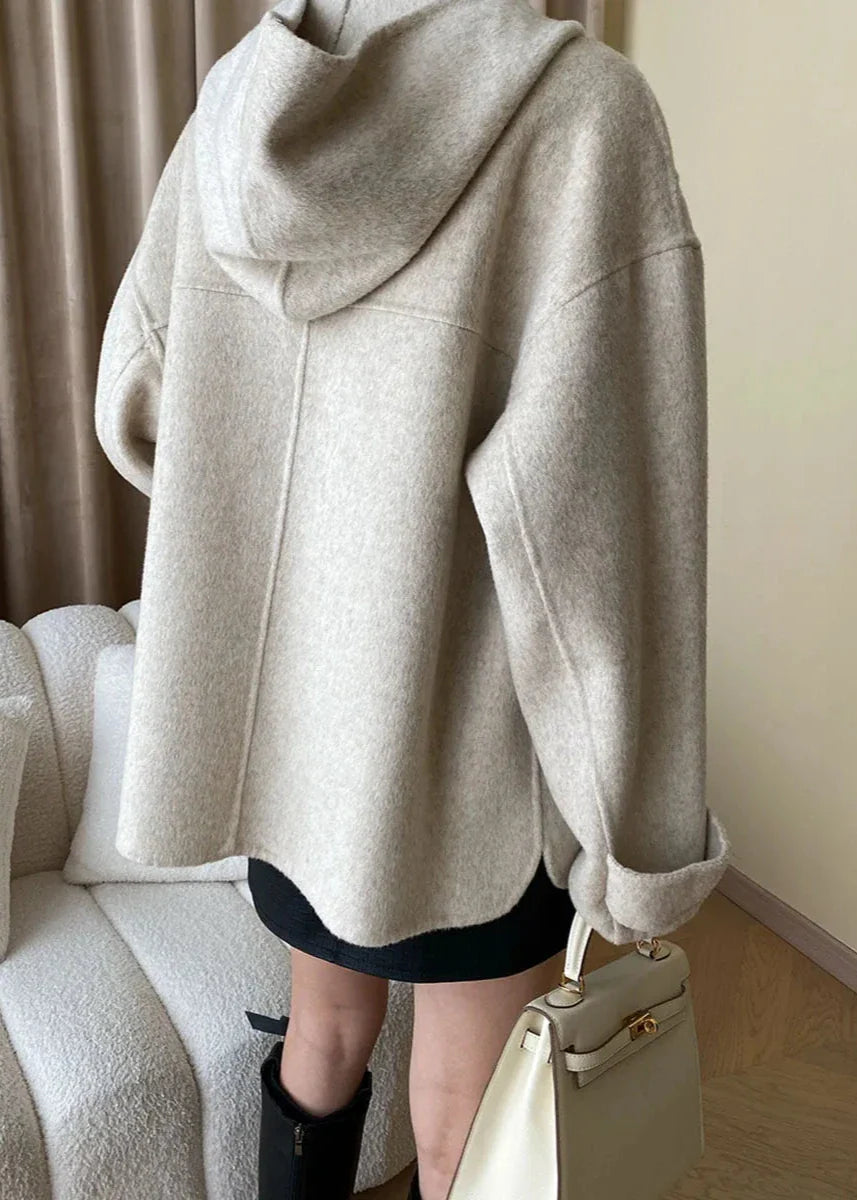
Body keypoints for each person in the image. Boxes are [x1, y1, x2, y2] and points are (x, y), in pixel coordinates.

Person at [93, 0, 732, 1197]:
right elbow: (611, 534)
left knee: (322, 1040)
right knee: (460, 1127)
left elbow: (133, 393)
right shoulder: (584, 117)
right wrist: (640, 837)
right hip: (467, 747)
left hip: (286, 730)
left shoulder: (244, 98)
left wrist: (275, 538)